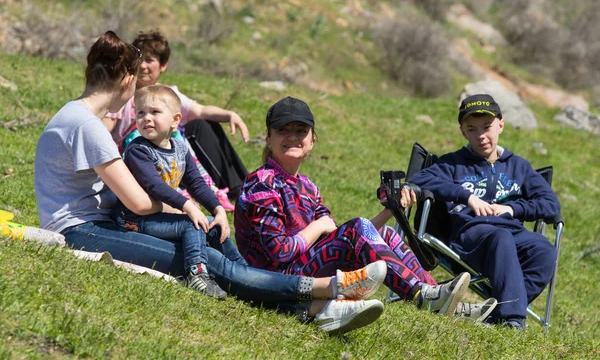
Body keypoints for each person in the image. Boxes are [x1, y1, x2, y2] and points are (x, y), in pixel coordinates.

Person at [33, 31, 393, 335]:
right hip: (81, 230)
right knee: (209, 260)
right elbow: (141, 203)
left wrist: (209, 208)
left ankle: (316, 310)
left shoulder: (78, 117)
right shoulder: (87, 125)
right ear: (127, 80)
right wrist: (186, 207)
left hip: (98, 223)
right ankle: (331, 288)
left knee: (214, 249)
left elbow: (154, 191)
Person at [234, 96, 498, 322]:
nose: (292, 136)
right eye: (283, 130)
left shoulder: (307, 187)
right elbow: (279, 252)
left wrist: (390, 211)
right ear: (268, 139)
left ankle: (437, 298)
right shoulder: (262, 183)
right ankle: (422, 295)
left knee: (388, 235)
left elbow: (341, 243)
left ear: (312, 140)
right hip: (275, 282)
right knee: (358, 227)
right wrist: (318, 226)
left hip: (306, 271)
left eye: (300, 130)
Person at [410, 94, 560, 330]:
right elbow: (420, 179)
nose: (481, 136)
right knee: (499, 238)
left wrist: (512, 208)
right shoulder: (453, 163)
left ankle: (499, 313)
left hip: (513, 234)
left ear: (500, 125)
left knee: (544, 250)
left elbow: (551, 204)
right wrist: (467, 197)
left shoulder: (519, 166)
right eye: (472, 129)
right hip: (470, 235)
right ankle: (513, 321)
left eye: (487, 127)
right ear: (463, 132)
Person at [112, 84, 230, 299]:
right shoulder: (137, 150)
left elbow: (196, 183)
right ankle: (197, 274)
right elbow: (155, 186)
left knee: (213, 224)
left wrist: (218, 209)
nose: (146, 118)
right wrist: (188, 206)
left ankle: (239, 267)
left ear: (175, 120)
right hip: (134, 219)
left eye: (155, 112)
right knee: (191, 223)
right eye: (141, 112)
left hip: (161, 215)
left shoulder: (180, 148)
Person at [103, 30, 248, 201]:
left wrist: (230, 115)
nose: (142, 66)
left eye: (149, 61)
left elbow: (199, 111)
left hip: (170, 160)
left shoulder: (167, 94)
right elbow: (102, 132)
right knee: (194, 129)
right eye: (139, 60)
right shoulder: (124, 95)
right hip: (139, 161)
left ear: (163, 65)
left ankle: (244, 186)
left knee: (201, 125)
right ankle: (233, 191)